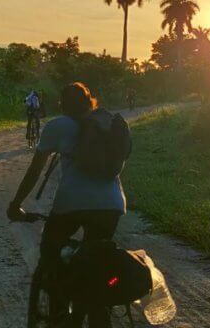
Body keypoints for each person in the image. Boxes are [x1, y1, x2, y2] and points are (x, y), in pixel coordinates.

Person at [7, 82, 126, 326]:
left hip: (71, 204)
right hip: (112, 205)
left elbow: (35, 170)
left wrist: (16, 203)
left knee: (51, 253)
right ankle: (95, 303)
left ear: (62, 104)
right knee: (98, 260)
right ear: (90, 100)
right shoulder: (103, 123)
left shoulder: (57, 126)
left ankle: (59, 316)